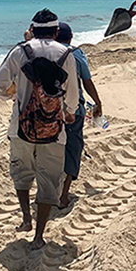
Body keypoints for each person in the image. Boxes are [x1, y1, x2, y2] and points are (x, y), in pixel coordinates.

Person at [0, 8, 79, 250]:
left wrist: (14, 95)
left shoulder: (20, 51)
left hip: (21, 126)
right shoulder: (66, 54)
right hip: (54, 129)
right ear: (57, 31)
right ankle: (39, 235)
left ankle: (25, 219)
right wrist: (69, 112)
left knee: (21, 172)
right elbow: (72, 94)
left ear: (32, 30)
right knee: (49, 179)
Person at [54, 21, 103, 209]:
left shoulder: (46, 53)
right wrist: (98, 102)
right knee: (72, 150)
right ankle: (64, 196)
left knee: (50, 151)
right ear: (71, 37)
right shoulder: (75, 54)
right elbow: (87, 81)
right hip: (73, 110)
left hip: (48, 110)